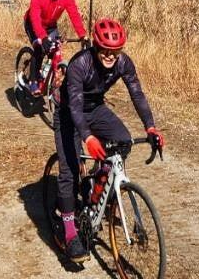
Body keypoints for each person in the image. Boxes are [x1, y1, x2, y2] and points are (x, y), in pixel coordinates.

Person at [53, 18, 163, 261]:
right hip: (69, 112)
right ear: (95, 46)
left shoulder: (123, 62)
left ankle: (98, 188)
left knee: (122, 141)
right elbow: (75, 107)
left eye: (115, 50)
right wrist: (88, 137)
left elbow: (137, 94)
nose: (110, 55)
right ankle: (69, 233)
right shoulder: (80, 64)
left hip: (95, 108)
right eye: (105, 50)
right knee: (69, 170)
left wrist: (151, 127)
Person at [23, 0, 86, 96]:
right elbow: (35, 19)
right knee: (39, 49)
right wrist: (43, 38)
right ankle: (33, 81)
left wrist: (82, 35)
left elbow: (74, 15)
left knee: (55, 50)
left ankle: (50, 77)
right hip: (33, 24)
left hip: (51, 25)